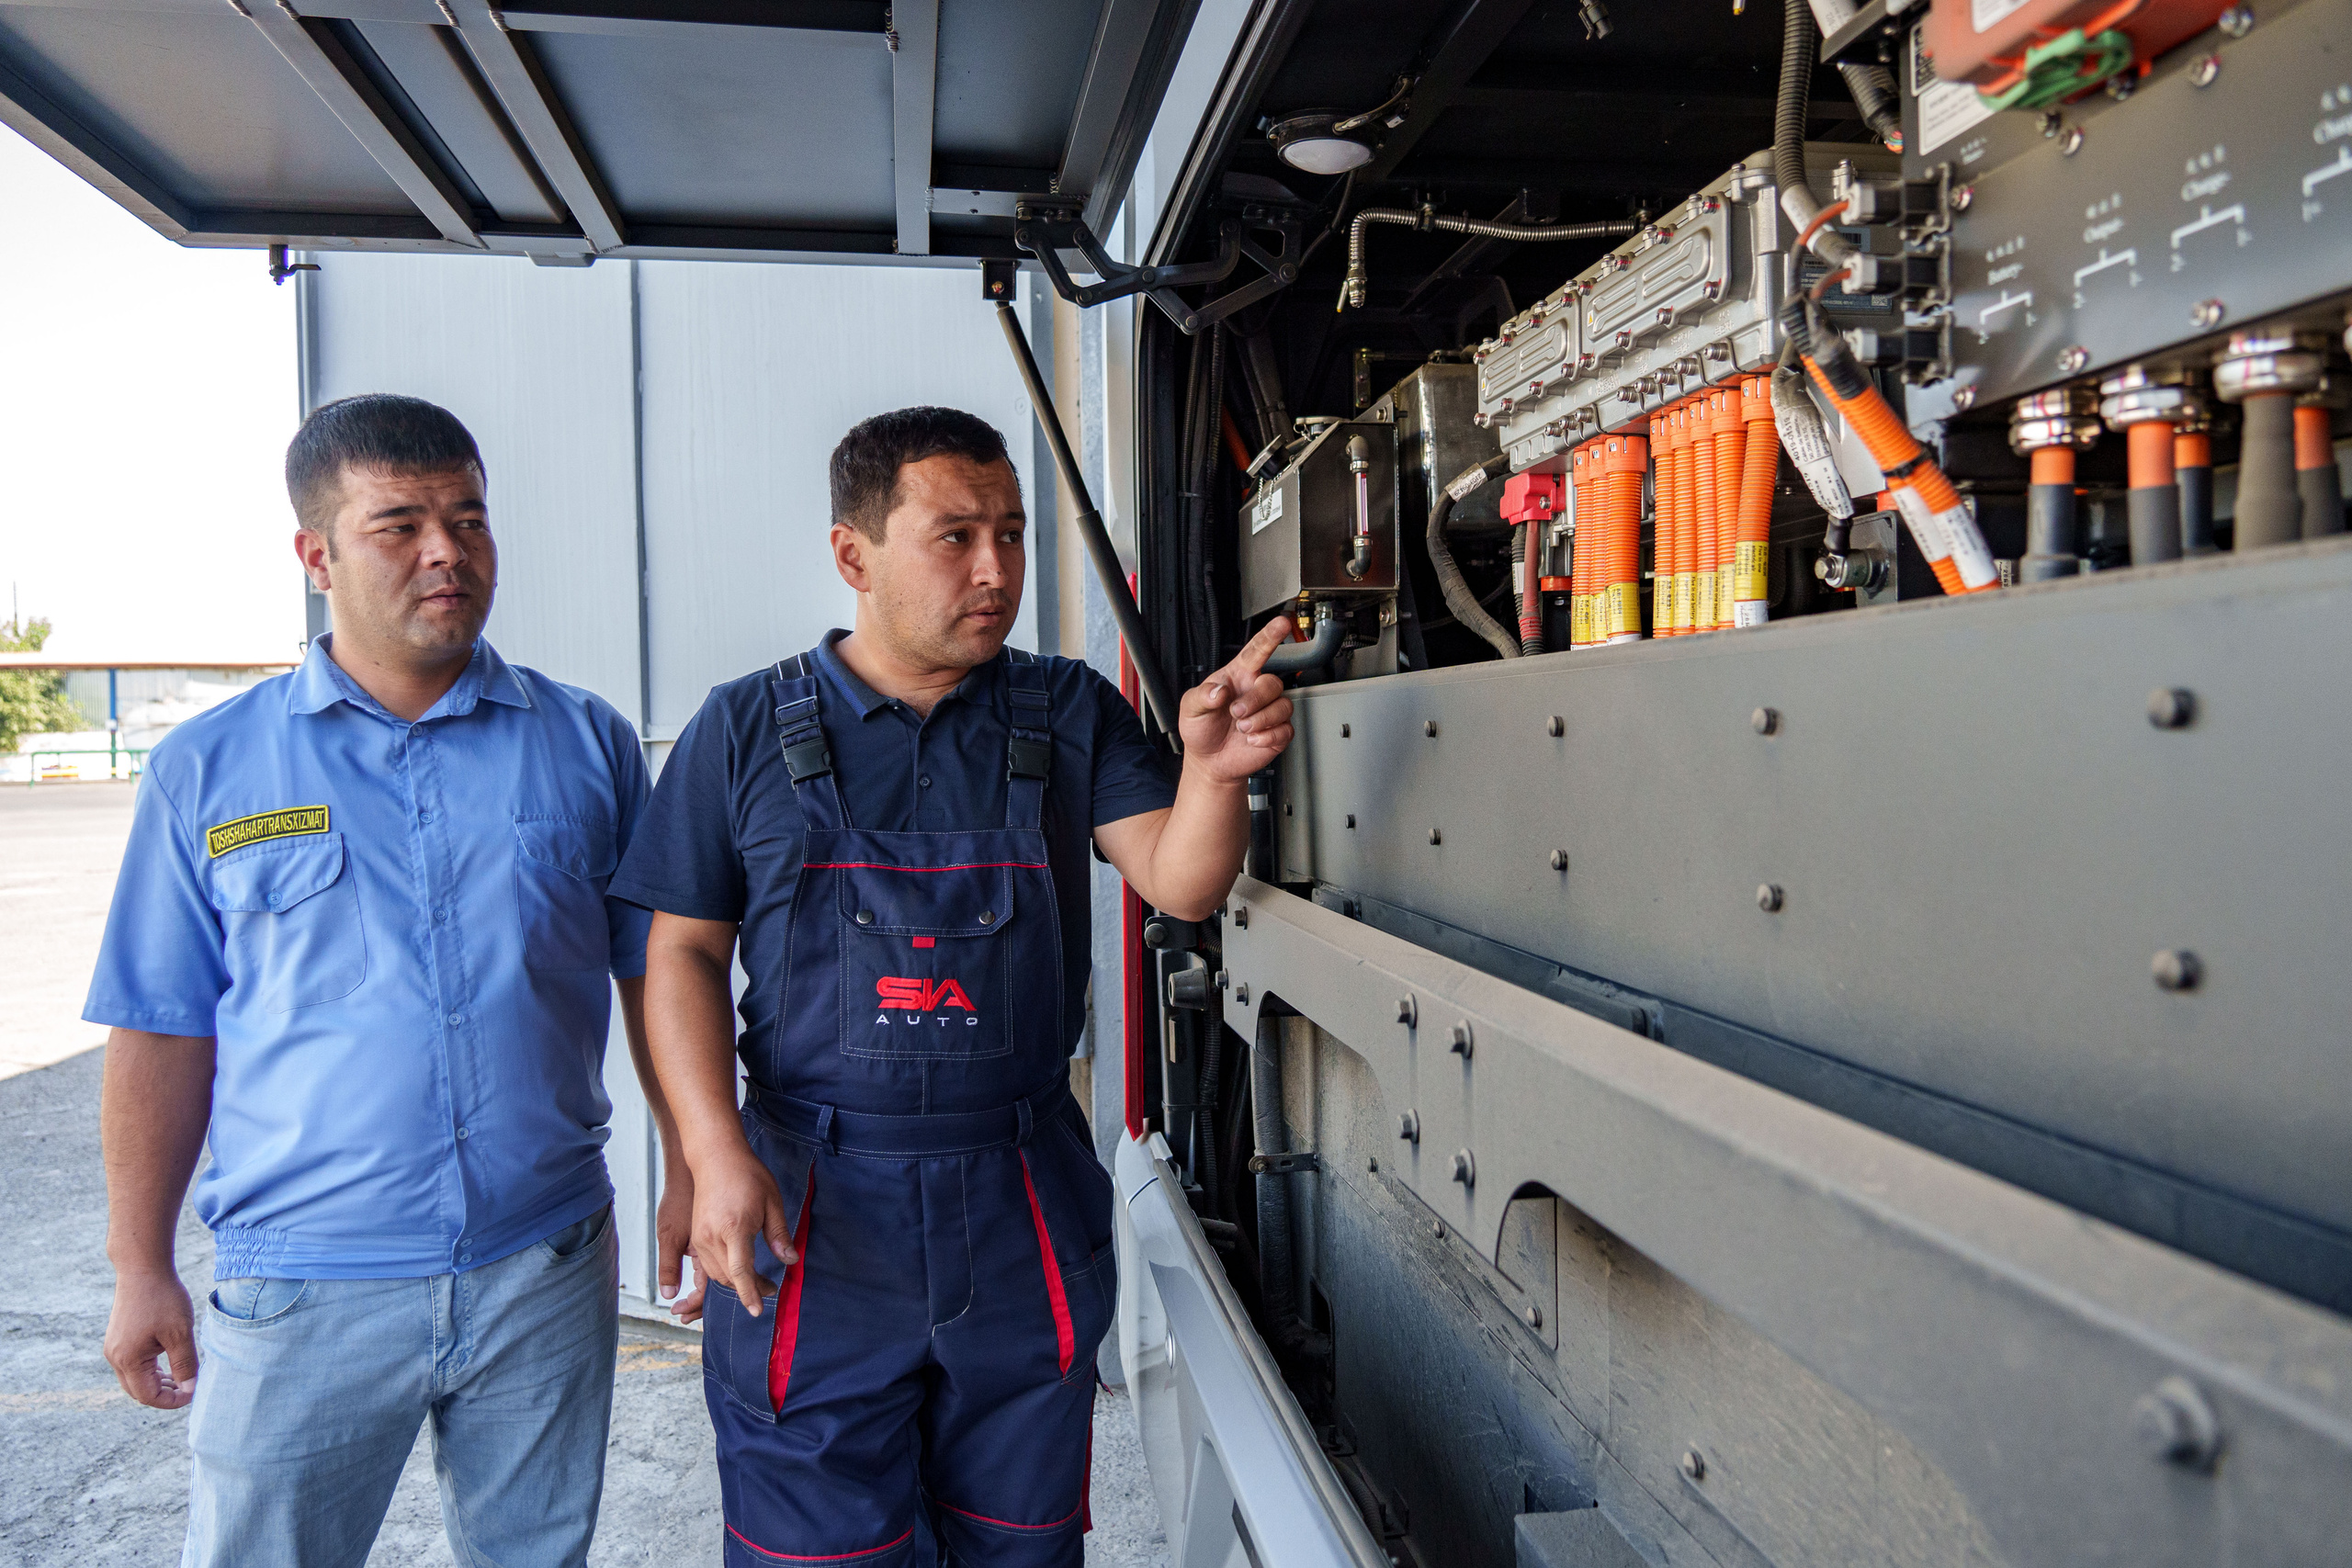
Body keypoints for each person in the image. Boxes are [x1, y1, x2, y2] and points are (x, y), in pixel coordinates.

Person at [613, 406, 1295, 1566]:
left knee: (1019, 1543)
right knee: (814, 1547)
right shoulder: (741, 728)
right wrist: (711, 1152)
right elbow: (676, 952)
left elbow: (1179, 882)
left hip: (1017, 1197)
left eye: (1014, 535)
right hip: (816, 1207)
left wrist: (1213, 773)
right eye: (956, 536)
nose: (998, 570)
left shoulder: (1062, 708)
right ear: (853, 556)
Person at [87, 393, 688, 1568]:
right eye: (399, 523)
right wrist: (139, 1264)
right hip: (304, 1285)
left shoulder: (587, 743)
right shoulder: (207, 769)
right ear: (314, 555)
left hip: (543, 1262)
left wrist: (688, 1162)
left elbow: (656, 971)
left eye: (469, 519)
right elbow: (161, 1030)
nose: (446, 552)